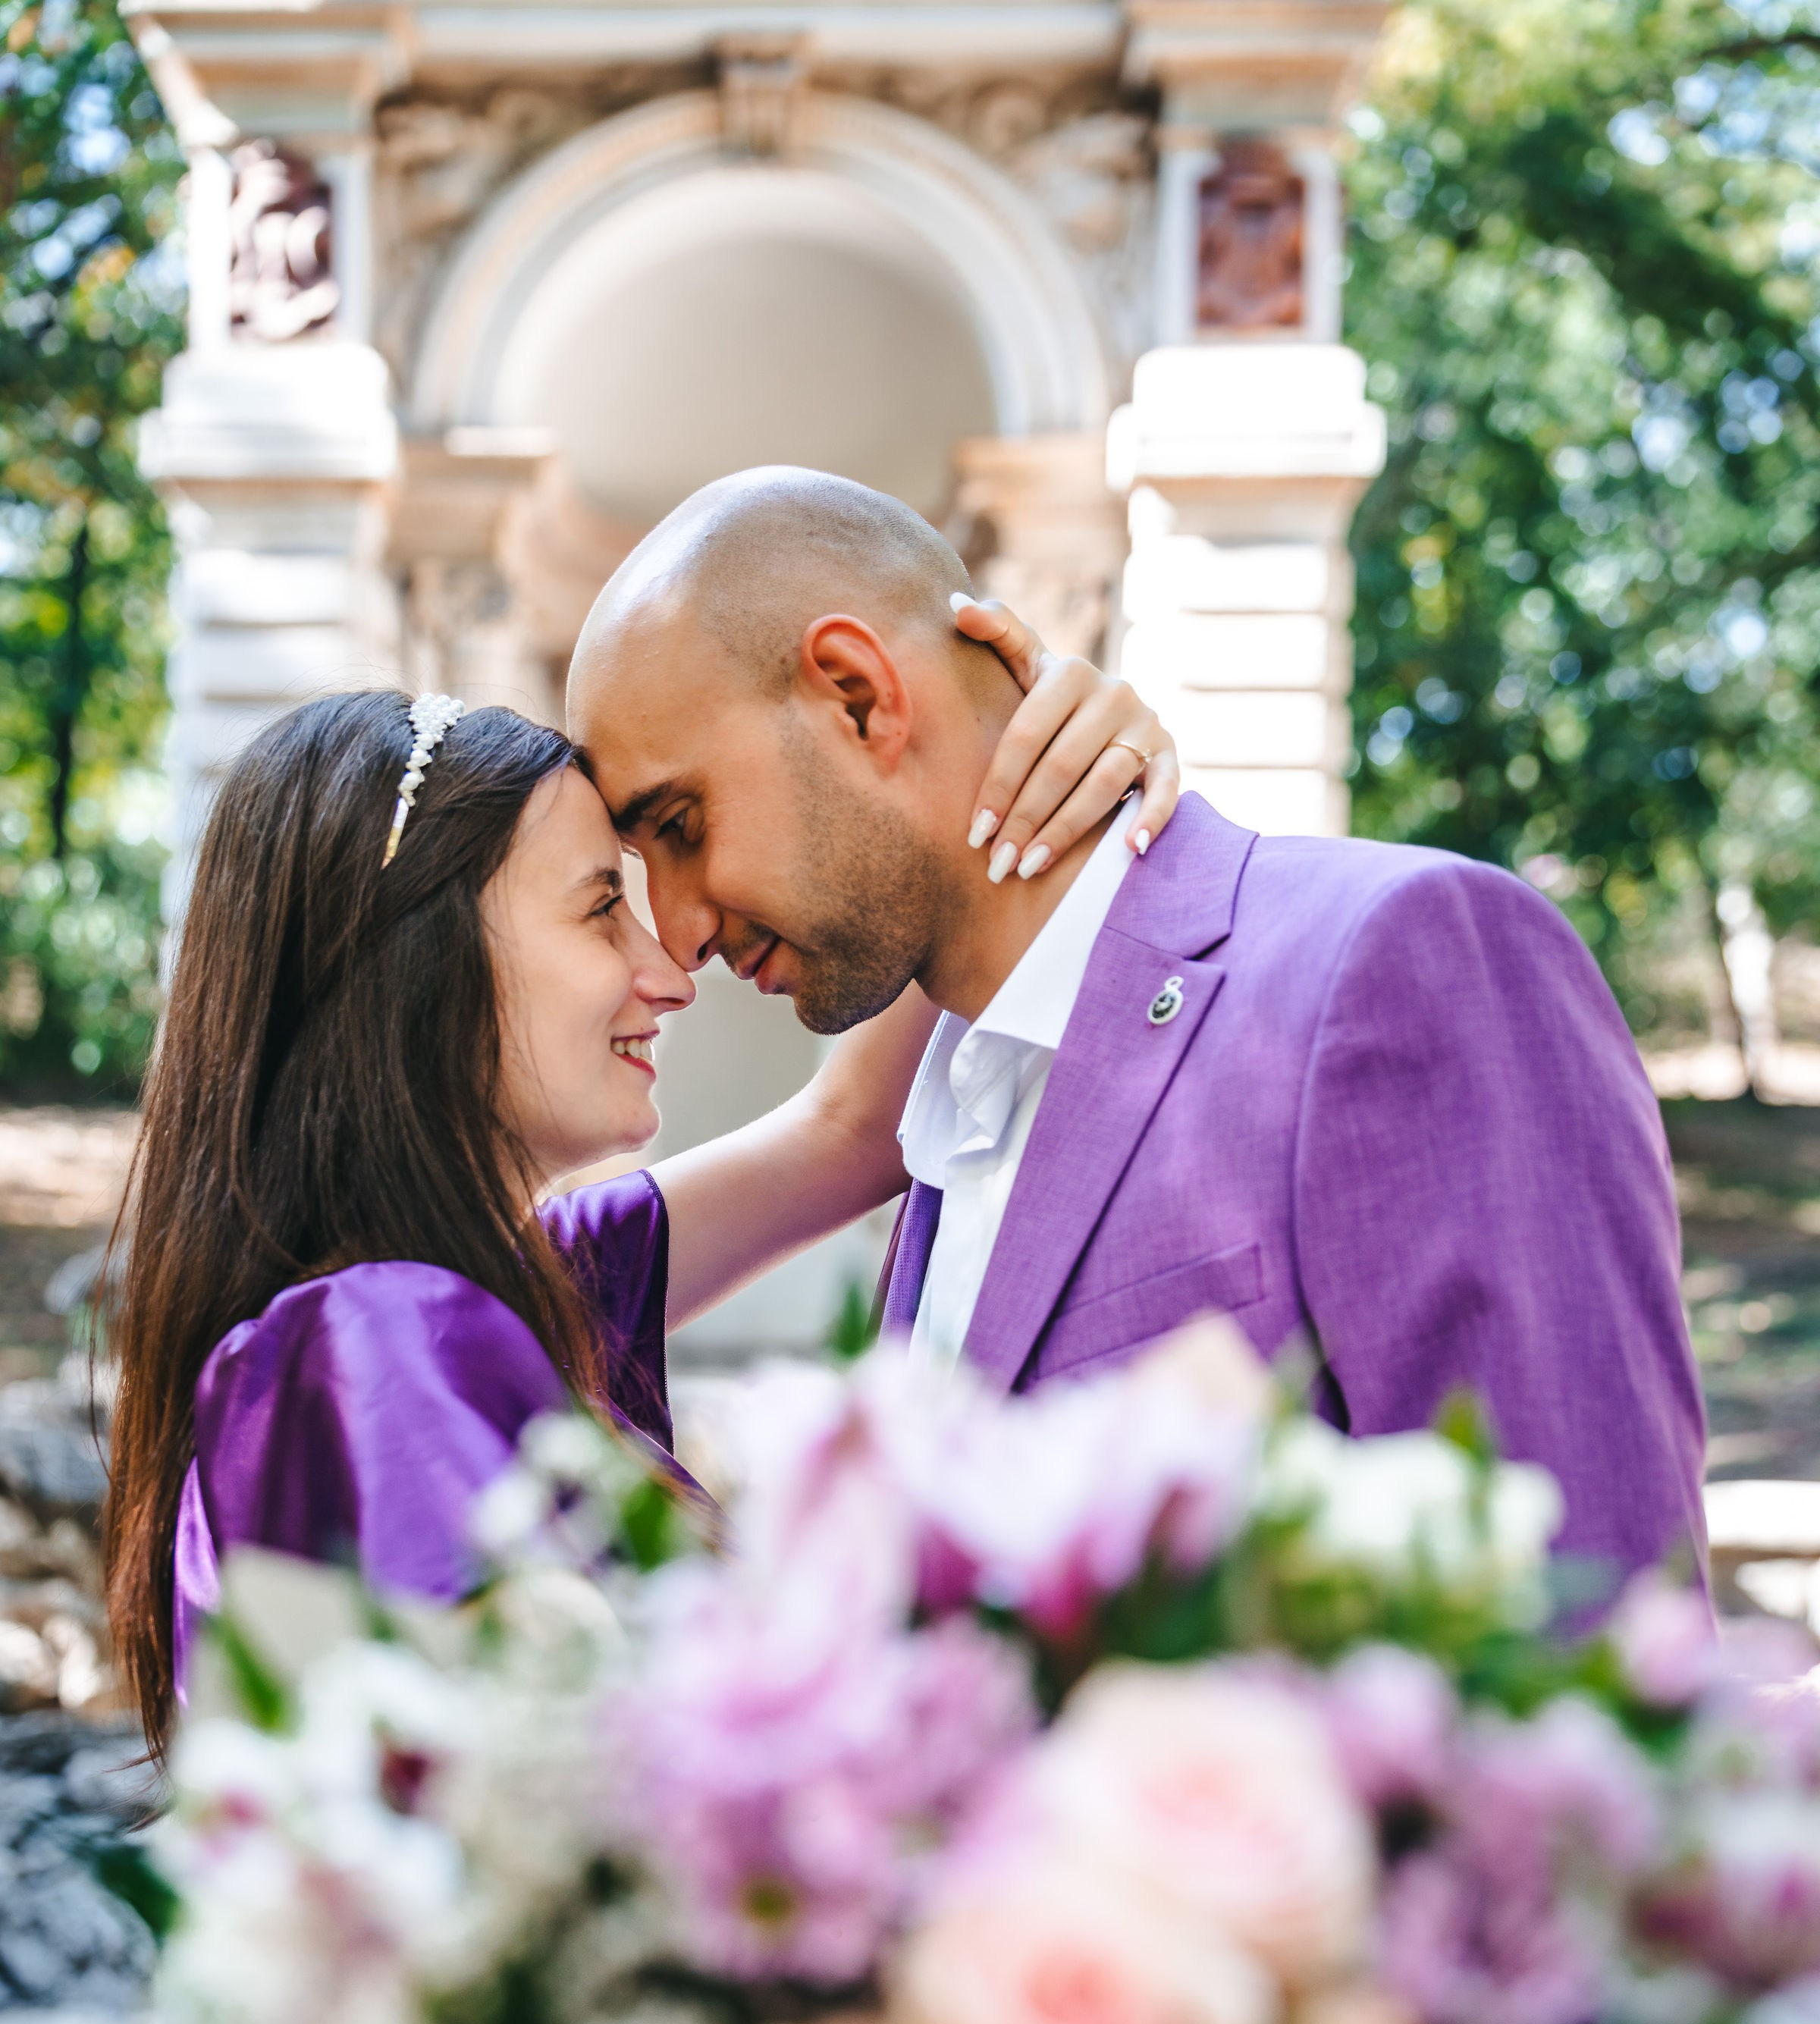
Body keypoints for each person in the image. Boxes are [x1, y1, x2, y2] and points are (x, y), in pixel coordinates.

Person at [566, 466, 1709, 1610]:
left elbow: (1599, 1634)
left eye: (681, 823)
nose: (679, 932)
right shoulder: (944, 1119)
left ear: (861, 697)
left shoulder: (1403, 960)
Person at [106, 607, 1180, 1746]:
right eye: (601, 906)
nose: (670, 972)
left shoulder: (494, 1294)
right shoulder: (380, 1338)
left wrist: (1009, 771)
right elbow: (578, 1794)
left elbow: (850, 1131)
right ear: (414, 970)